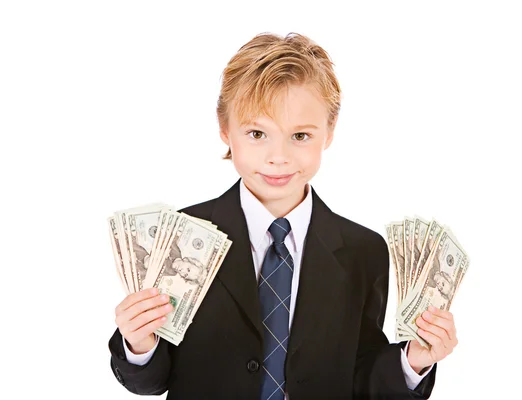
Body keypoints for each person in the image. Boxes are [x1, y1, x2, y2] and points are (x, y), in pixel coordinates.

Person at [109, 32, 459, 400]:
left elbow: (360, 375)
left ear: (329, 132)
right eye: (257, 133)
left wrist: (413, 362)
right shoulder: (179, 237)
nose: (279, 156)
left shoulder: (364, 252)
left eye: (301, 136)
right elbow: (150, 381)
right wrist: (138, 344)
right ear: (225, 130)